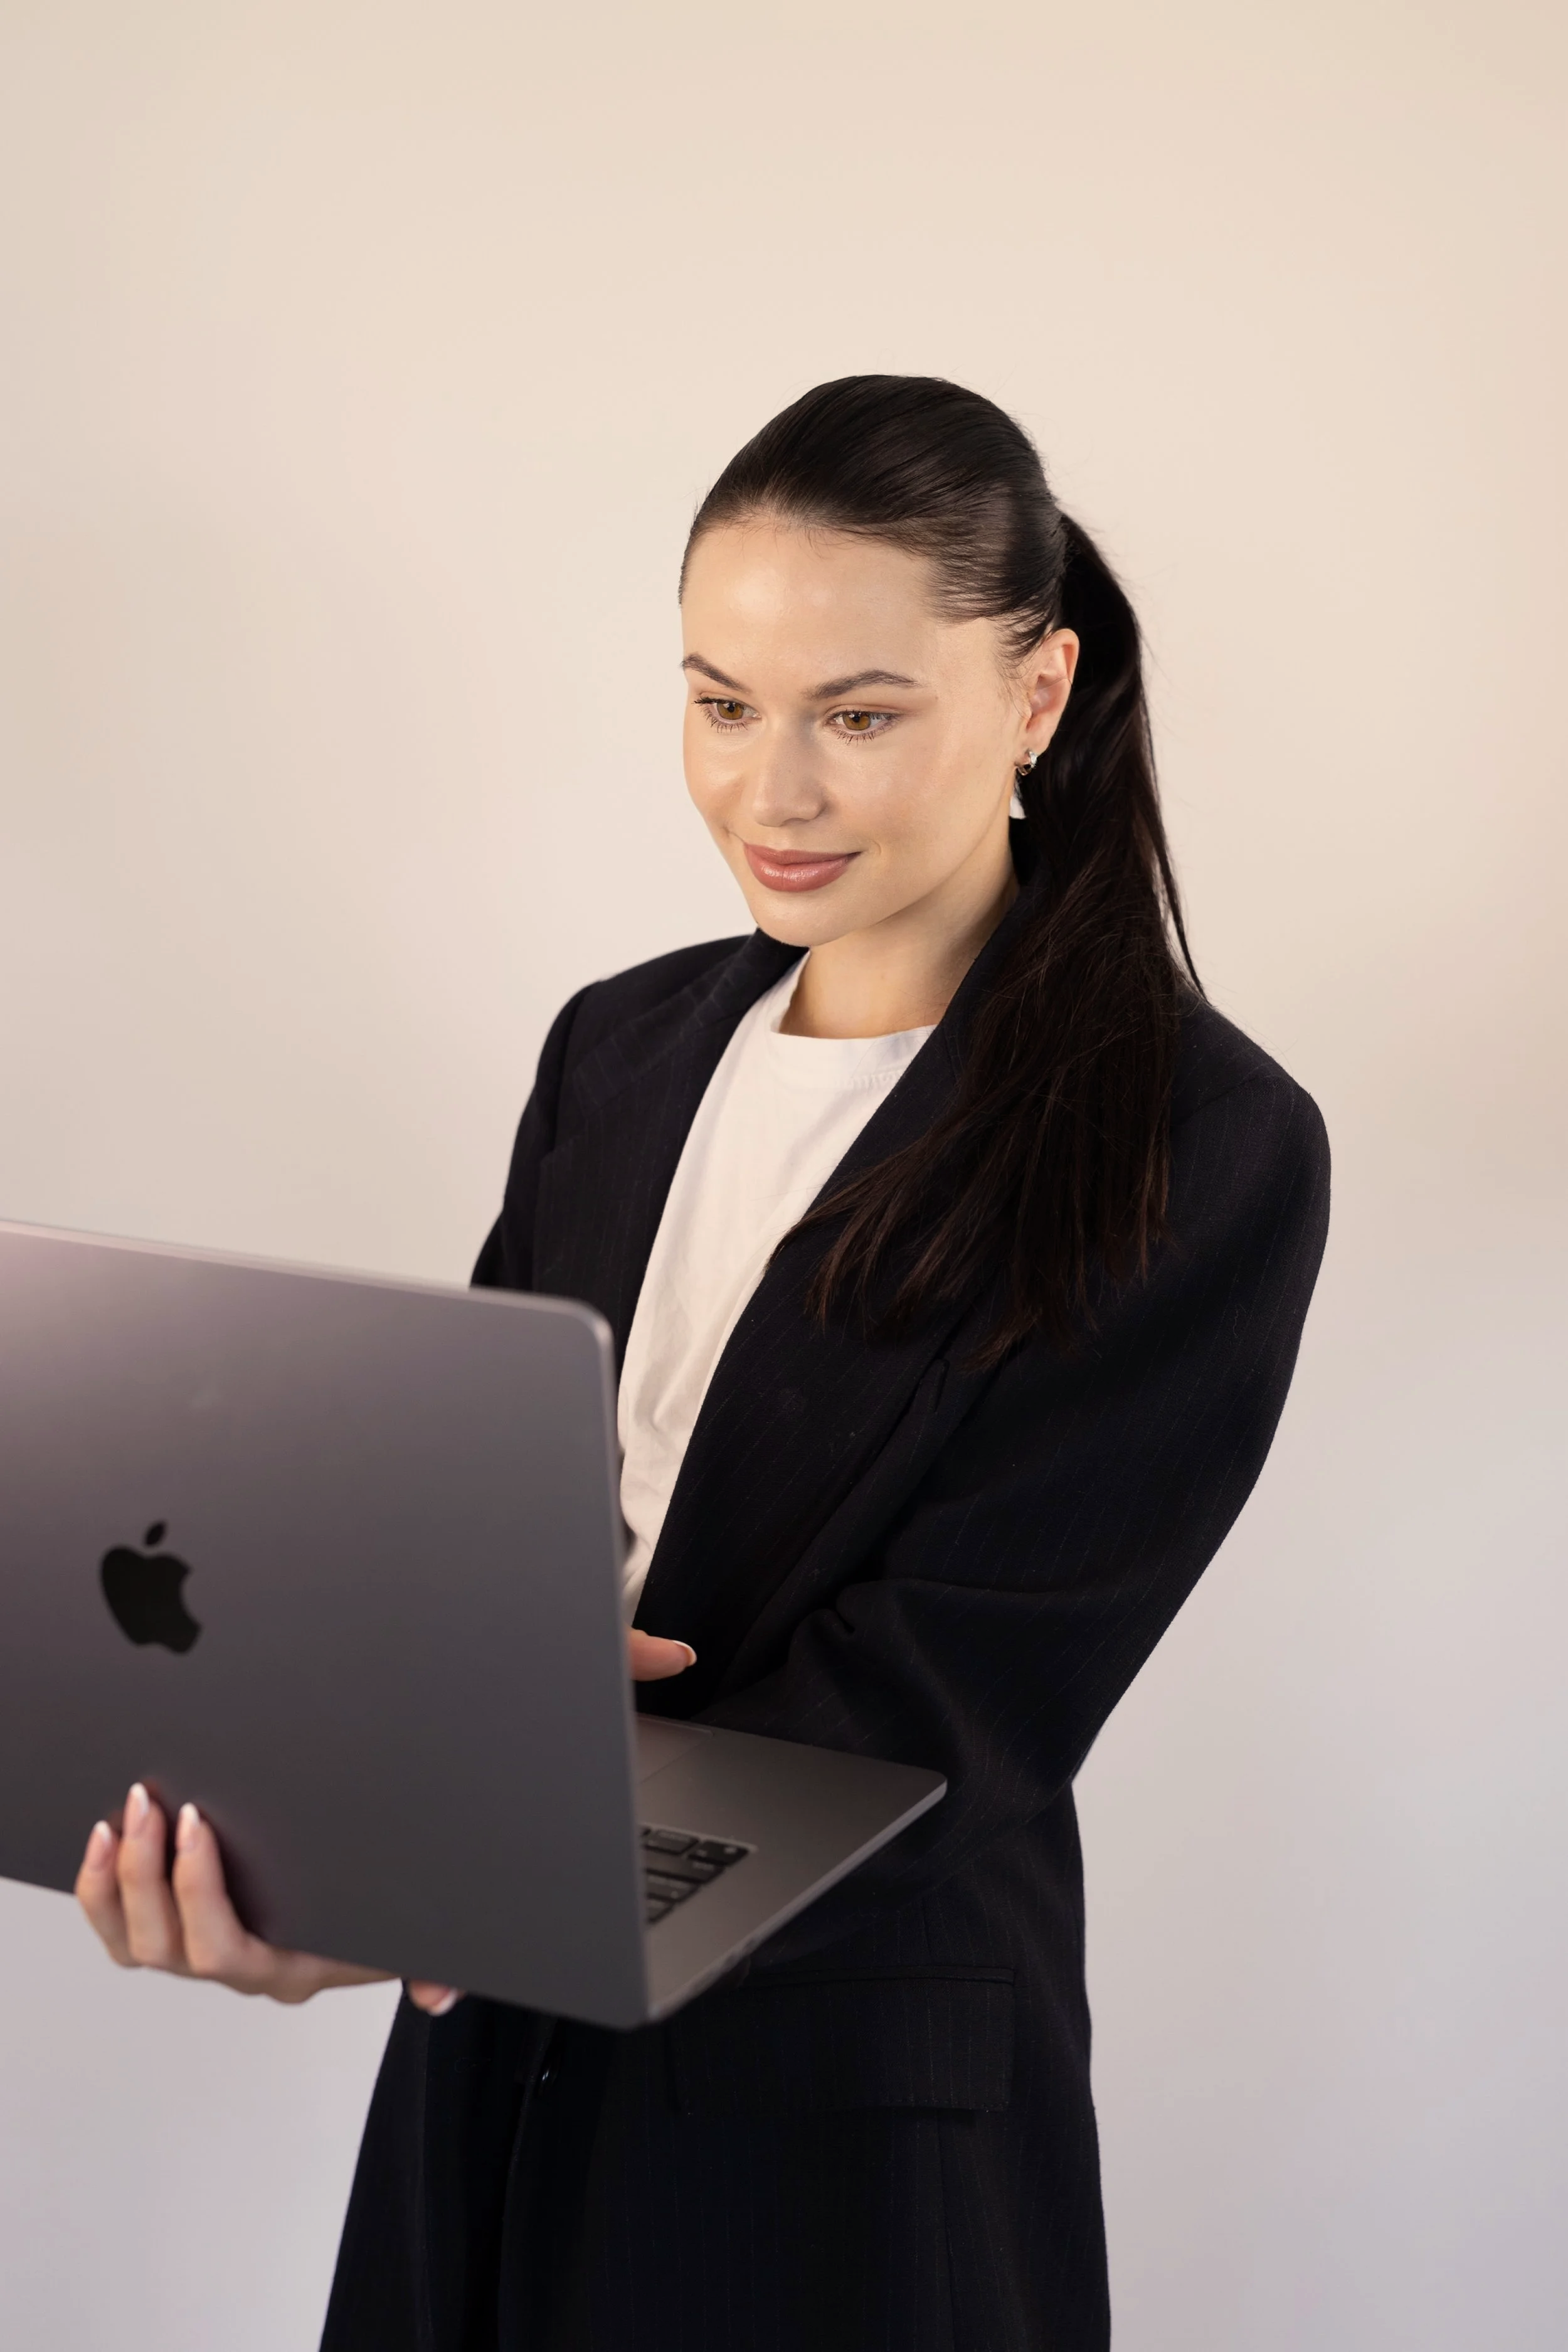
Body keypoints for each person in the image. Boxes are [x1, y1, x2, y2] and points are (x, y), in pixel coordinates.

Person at [75, 375, 1330, 2350]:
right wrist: (310, 1814)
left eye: (859, 712)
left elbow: (942, 1705)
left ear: (1035, 695)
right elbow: (459, 1528)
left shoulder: (1194, 1142)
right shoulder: (621, 1048)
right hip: (486, 2095)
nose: (773, 791)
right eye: (721, 702)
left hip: (826, 2153)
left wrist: (432, 1870)